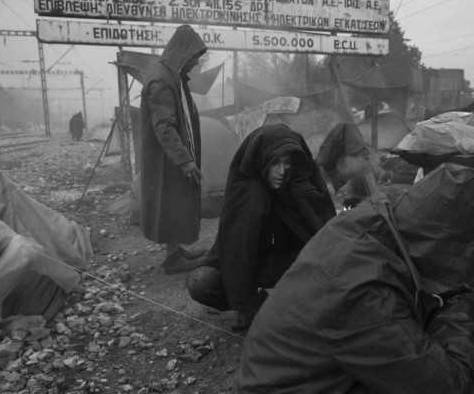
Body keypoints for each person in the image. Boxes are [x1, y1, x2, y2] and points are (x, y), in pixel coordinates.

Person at [237, 163, 474, 393]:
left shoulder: (368, 222)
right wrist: (466, 316)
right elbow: (451, 388)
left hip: (290, 374)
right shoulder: (366, 296)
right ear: (443, 247)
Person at [186, 124, 336, 330]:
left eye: (287, 163)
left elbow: (324, 236)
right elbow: (234, 251)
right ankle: (258, 304)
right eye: (275, 163)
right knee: (201, 283)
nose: (282, 171)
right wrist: (244, 302)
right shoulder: (246, 193)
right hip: (254, 266)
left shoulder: (299, 187)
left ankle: (294, 302)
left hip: (293, 263)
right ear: (261, 160)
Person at [139, 25, 207, 274]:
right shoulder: (162, 81)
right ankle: (172, 261)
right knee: (169, 203)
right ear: (183, 53)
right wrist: (184, 159)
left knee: (176, 203)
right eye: (194, 58)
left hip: (170, 158)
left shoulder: (171, 76)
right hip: (165, 160)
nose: (195, 65)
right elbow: (164, 127)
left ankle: (175, 251)